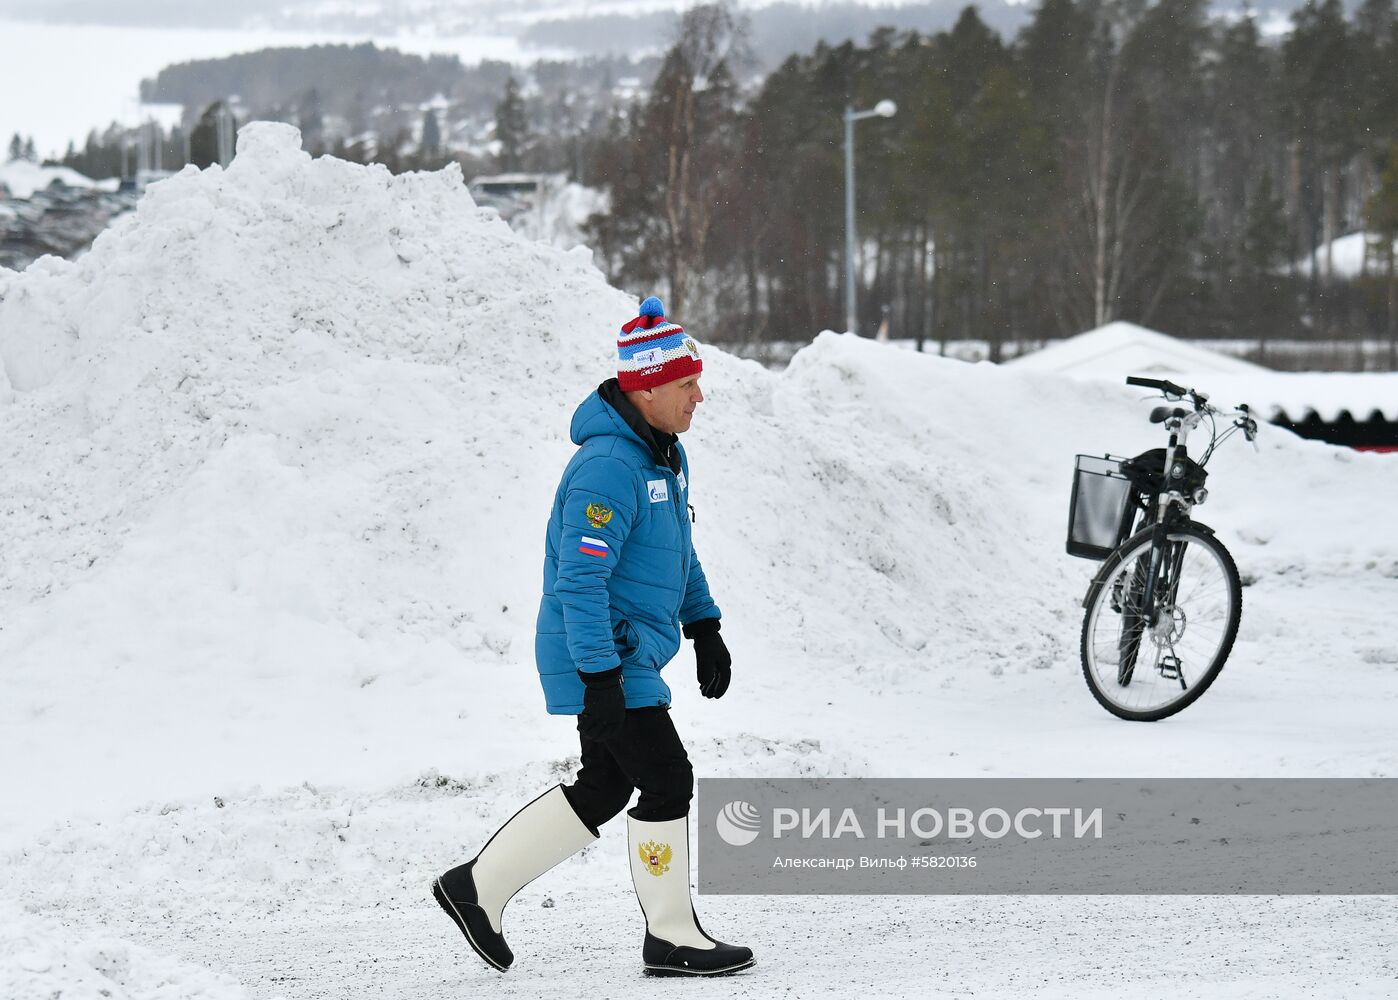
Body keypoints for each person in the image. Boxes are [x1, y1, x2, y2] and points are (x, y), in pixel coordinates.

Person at [433, 296, 754, 978]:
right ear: (645, 388)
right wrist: (601, 677)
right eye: (686, 384)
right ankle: (670, 936)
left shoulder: (663, 457)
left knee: (606, 784)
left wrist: (705, 625)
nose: (701, 395)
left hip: (620, 650)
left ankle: (476, 888)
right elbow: (579, 583)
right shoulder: (608, 467)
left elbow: (678, 553)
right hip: (601, 649)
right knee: (667, 776)